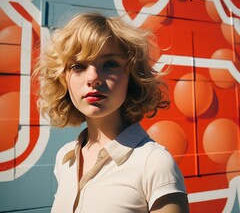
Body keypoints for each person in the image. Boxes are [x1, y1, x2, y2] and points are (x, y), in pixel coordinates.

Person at [35, 12, 189, 213]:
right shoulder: (65, 158)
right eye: (78, 66)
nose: (93, 78)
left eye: (110, 64)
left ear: (132, 76)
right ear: (63, 78)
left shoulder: (154, 163)